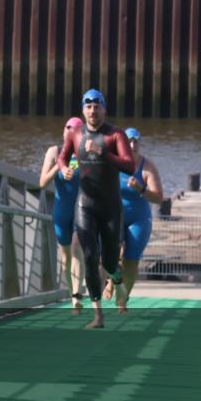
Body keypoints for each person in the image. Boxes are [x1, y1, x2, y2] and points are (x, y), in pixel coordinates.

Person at [58, 89, 135, 329]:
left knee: (109, 261)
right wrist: (63, 169)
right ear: (83, 110)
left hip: (111, 207)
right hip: (85, 204)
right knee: (90, 257)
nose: (93, 111)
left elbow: (131, 166)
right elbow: (62, 157)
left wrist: (104, 153)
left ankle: (118, 282)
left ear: (104, 109)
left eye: (97, 106)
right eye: (88, 106)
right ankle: (98, 315)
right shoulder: (74, 134)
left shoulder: (115, 135)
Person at [103, 128, 164, 305]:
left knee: (132, 259)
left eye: (136, 141)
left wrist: (141, 188)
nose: (132, 145)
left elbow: (159, 198)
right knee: (111, 256)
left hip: (139, 218)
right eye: (129, 141)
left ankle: (122, 299)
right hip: (115, 215)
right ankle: (111, 280)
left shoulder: (147, 166)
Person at [39, 117, 85, 313]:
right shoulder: (54, 151)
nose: (70, 131)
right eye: (67, 128)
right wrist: (60, 166)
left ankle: (76, 295)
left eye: (75, 129)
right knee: (65, 258)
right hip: (61, 209)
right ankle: (70, 290)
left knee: (76, 248)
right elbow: (42, 182)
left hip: (80, 208)